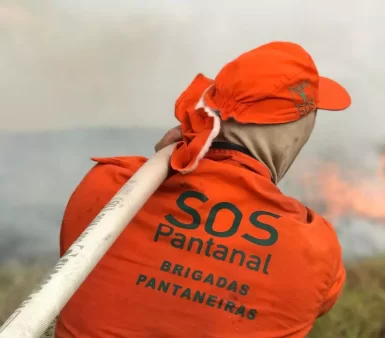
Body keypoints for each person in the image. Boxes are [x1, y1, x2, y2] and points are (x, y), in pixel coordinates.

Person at [55, 41, 351, 338]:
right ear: (293, 134)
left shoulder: (107, 186)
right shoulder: (315, 247)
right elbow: (321, 297)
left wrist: (158, 167)